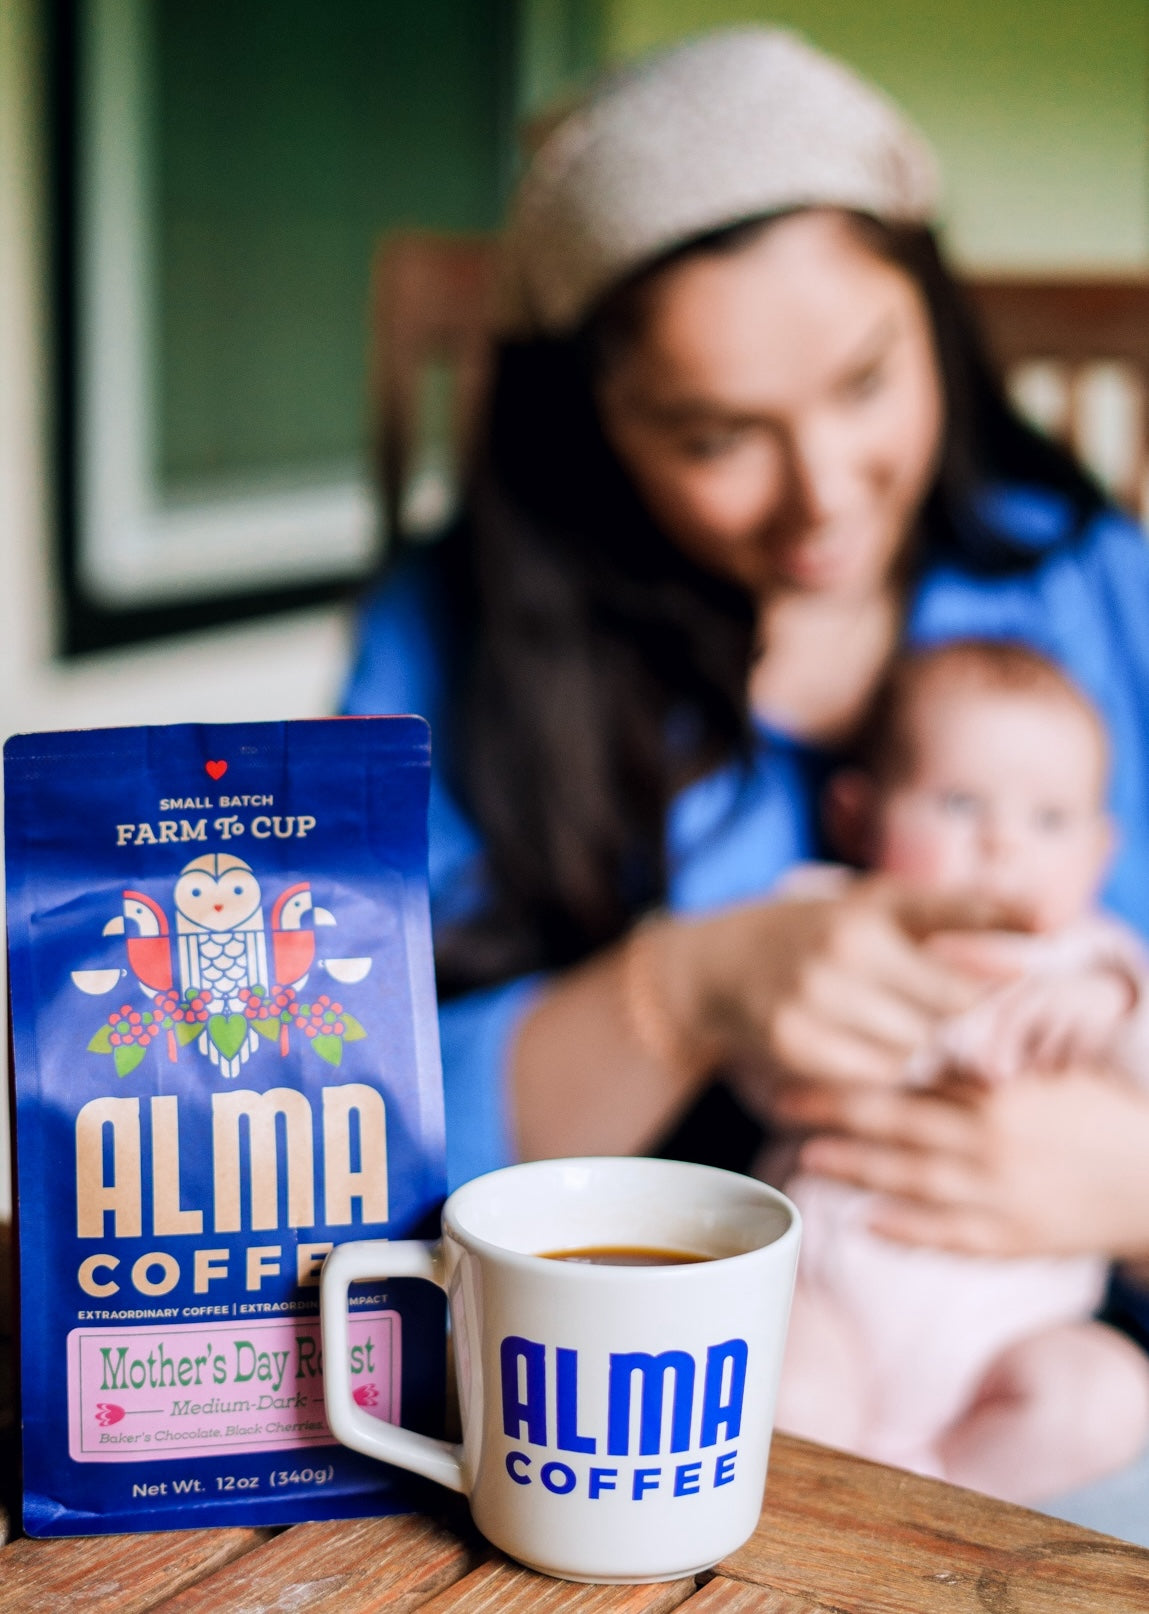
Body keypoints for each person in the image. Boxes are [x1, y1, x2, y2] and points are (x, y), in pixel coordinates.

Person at [344, 26, 1149, 1500]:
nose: (824, 495)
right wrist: (683, 992)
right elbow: (365, 1143)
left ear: (935, 318)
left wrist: (1127, 1187)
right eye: (718, 436)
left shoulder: (1094, 586)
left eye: (864, 381)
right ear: (591, 422)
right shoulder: (457, 642)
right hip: (651, 1385)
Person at [766, 640, 1149, 1502]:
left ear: (1097, 854)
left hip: (1010, 1351)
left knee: (1108, 1397)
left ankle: (936, 1496)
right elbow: (764, 1036)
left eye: (1048, 821)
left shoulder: (1095, 965)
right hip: (828, 1308)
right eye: (959, 802)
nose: (1002, 845)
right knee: (780, 1379)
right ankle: (829, 1524)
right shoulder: (829, 920)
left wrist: (1117, 1006)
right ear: (857, 817)